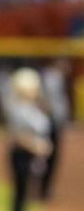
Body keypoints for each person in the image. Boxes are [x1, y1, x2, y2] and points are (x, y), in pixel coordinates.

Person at [1, 67, 51, 211]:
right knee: (21, 192)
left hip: (29, 156)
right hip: (21, 155)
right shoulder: (17, 108)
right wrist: (36, 146)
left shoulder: (30, 107)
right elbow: (16, 136)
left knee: (25, 192)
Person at [39, 59, 70, 200]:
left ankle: (44, 189)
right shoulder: (52, 78)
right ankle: (43, 189)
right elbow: (47, 102)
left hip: (54, 122)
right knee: (48, 156)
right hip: (49, 123)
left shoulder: (57, 78)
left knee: (51, 156)